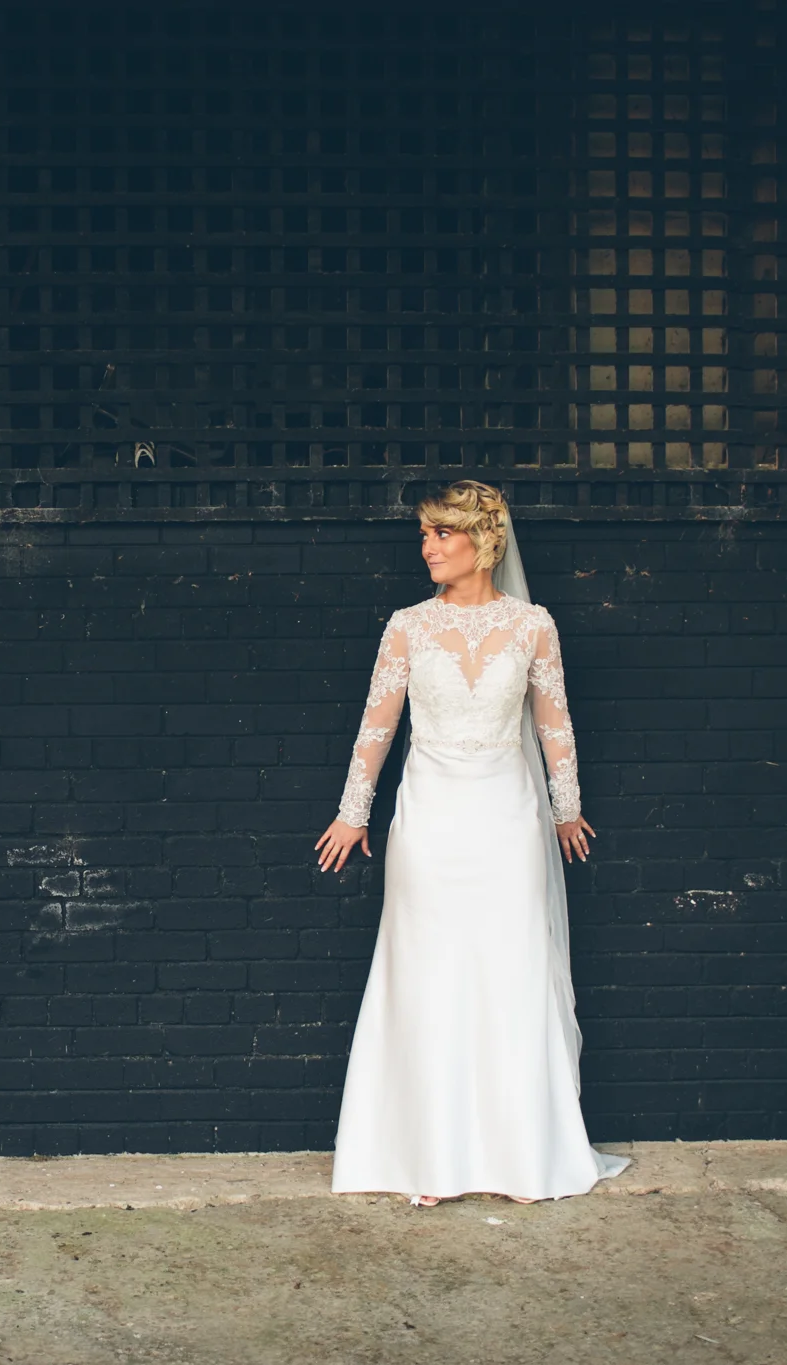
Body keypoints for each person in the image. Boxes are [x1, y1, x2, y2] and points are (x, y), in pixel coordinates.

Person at [316, 480, 629, 1205]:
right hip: (429, 823)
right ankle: (431, 1159)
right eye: (424, 535)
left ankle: (522, 1156)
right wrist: (352, 812)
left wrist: (566, 808)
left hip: (506, 821)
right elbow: (377, 723)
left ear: (482, 540)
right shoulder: (406, 626)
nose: (427, 547)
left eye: (440, 534)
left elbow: (555, 724)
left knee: (510, 976)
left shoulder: (533, 626)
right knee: (428, 980)